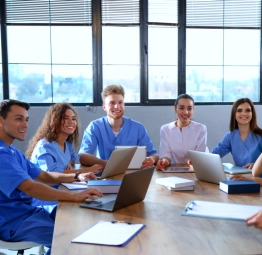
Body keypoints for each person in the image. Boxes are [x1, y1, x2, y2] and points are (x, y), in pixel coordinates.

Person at [0, 99, 102, 255]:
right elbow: (30, 188)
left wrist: (77, 176)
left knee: (78, 224)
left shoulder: (13, 151)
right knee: (74, 239)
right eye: (18, 119)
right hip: (14, 222)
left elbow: (45, 176)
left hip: (29, 212)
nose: (25, 124)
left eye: (26, 119)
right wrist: (74, 197)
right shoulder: (2, 154)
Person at [25, 103, 102, 208]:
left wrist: (70, 164)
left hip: (63, 189)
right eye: (66, 118)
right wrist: (87, 171)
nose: (71, 122)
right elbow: (52, 174)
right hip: (46, 199)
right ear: (55, 121)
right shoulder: (45, 146)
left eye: (73, 119)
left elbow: (72, 159)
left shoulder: (67, 144)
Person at [79, 84, 159, 168]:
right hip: (104, 174)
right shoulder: (95, 127)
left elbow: (154, 154)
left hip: (132, 174)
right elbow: (83, 156)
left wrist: (151, 160)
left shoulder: (138, 128)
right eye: (112, 103)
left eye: (120, 102)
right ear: (104, 107)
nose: (117, 107)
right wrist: (108, 164)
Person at [212, 98, 262, 169]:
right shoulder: (230, 137)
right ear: (234, 114)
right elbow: (214, 155)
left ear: (252, 113)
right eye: (239, 110)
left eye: (248, 110)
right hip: (238, 178)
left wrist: (257, 165)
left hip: (258, 178)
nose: (244, 113)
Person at [156, 94, 207, 170]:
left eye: (189, 109)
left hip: (195, 171)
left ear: (193, 110)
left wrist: (194, 161)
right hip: (173, 171)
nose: (186, 112)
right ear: (175, 109)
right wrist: (164, 161)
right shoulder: (165, 129)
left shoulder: (201, 129)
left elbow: (200, 154)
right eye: (181, 108)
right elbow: (165, 154)